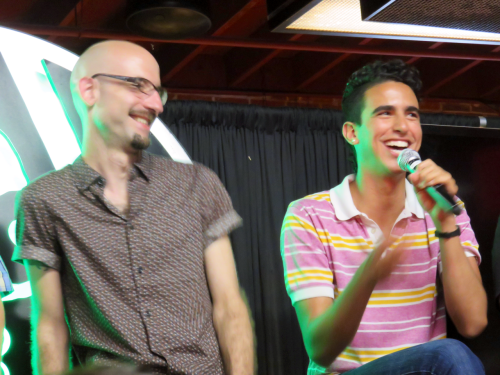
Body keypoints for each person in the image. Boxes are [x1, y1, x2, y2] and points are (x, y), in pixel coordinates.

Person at [13, 40, 254, 375]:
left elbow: (230, 306)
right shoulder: (44, 199)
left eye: (158, 91)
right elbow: (50, 327)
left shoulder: (198, 184)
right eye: (138, 85)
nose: (156, 104)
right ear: (89, 90)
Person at [280, 60, 487, 375]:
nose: (403, 126)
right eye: (385, 112)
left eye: (412, 114)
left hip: (428, 369)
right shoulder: (309, 215)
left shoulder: (444, 207)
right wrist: (370, 272)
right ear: (352, 133)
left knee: (452, 355)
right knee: (450, 356)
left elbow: (473, 323)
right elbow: (320, 349)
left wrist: (446, 226)